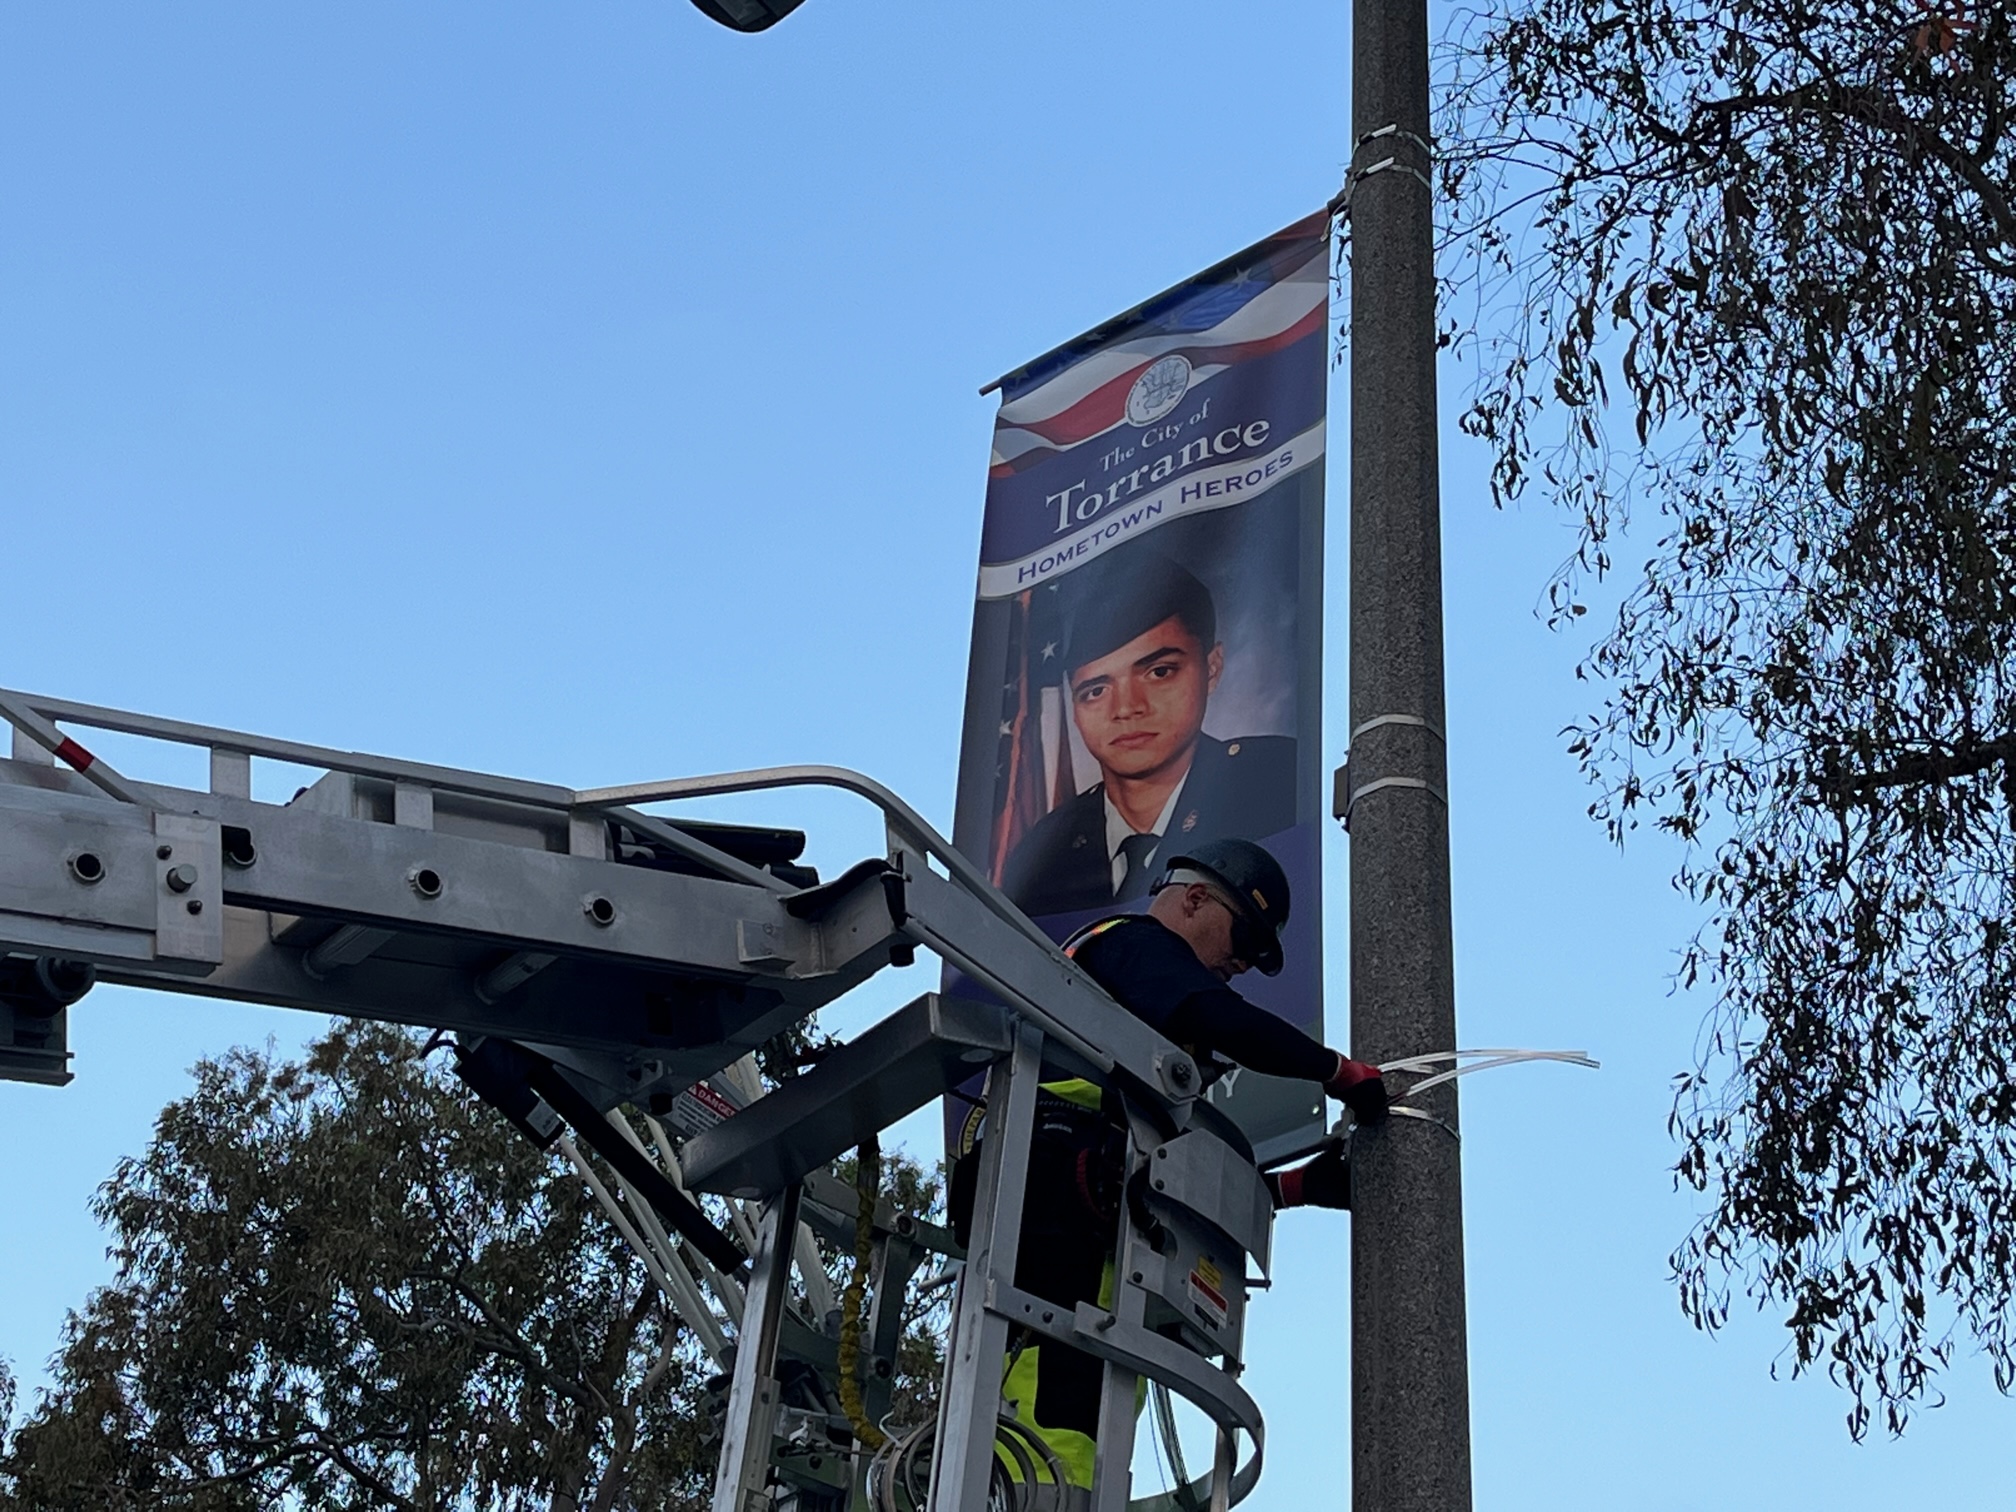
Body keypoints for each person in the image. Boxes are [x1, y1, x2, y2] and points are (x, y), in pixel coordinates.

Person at [959, 838, 1383, 1491]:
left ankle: (1062, 1492)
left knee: (1096, 1374)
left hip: (1070, 1190)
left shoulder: (1126, 1003)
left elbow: (1161, 1178)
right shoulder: (1133, 944)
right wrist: (1339, 1073)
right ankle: (1047, 1496)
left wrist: (1296, 1187)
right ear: (1194, 898)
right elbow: (1222, 1019)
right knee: (1064, 1381)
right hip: (1057, 1182)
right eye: (1242, 939)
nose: (1238, 964)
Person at [1000, 555, 1297, 920]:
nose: (1126, 708)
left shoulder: (1278, 786)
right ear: (1073, 705)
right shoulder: (1043, 856)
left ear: (1213, 668)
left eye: (1159, 672)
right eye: (1095, 690)